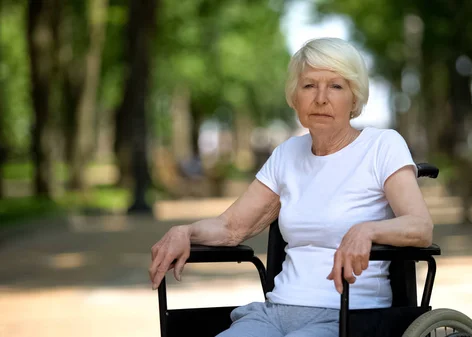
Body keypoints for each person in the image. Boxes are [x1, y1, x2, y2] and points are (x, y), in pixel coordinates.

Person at [149, 37, 433, 337]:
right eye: (309, 85)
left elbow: (420, 227)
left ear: (355, 97)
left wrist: (369, 230)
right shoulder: (286, 155)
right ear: (295, 97)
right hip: (275, 313)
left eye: (336, 86)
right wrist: (186, 232)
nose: (321, 98)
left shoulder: (382, 146)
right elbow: (231, 226)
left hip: (350, 318)